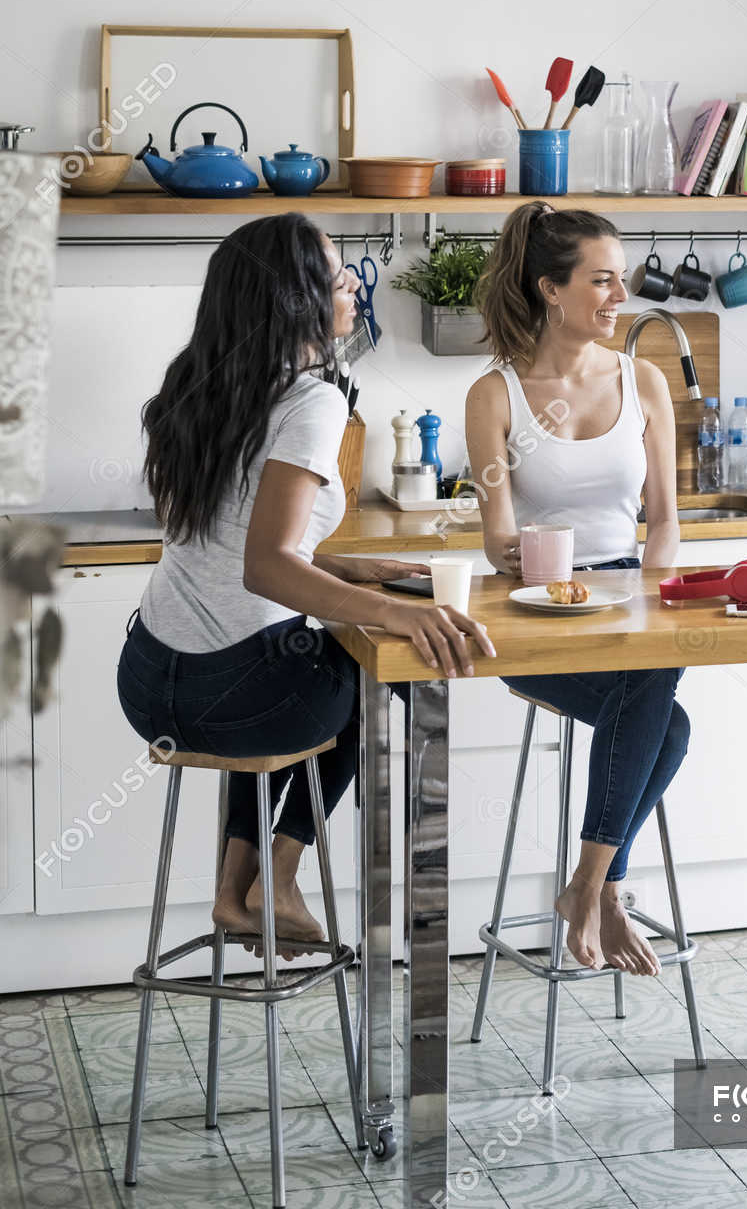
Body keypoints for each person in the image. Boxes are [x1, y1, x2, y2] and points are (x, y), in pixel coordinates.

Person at [117, 214, 495, 954]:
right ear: (294, 297)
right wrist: (395, 613)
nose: (351, 285)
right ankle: (278, 873)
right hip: (237, 699)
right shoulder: (311, 401)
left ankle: (234, 891)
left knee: (285, 661)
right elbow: (265, 566)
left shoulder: (194, 386)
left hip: (149, 681)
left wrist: (345, 569)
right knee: (387, 672)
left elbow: (227, 544)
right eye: (333, 274)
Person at [465, 202, 684, 978]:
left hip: (631, 607)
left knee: (660, 700)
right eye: (601, 281)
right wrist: (540, 568)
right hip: (537, 619)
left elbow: (663, 525)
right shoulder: (496, 395)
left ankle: (591, 885)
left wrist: (649, 599)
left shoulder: (645, 380)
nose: (618, 296)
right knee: (663, 716)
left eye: (620, 280)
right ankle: (600, 889)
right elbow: (495, 537)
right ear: (550, 289)